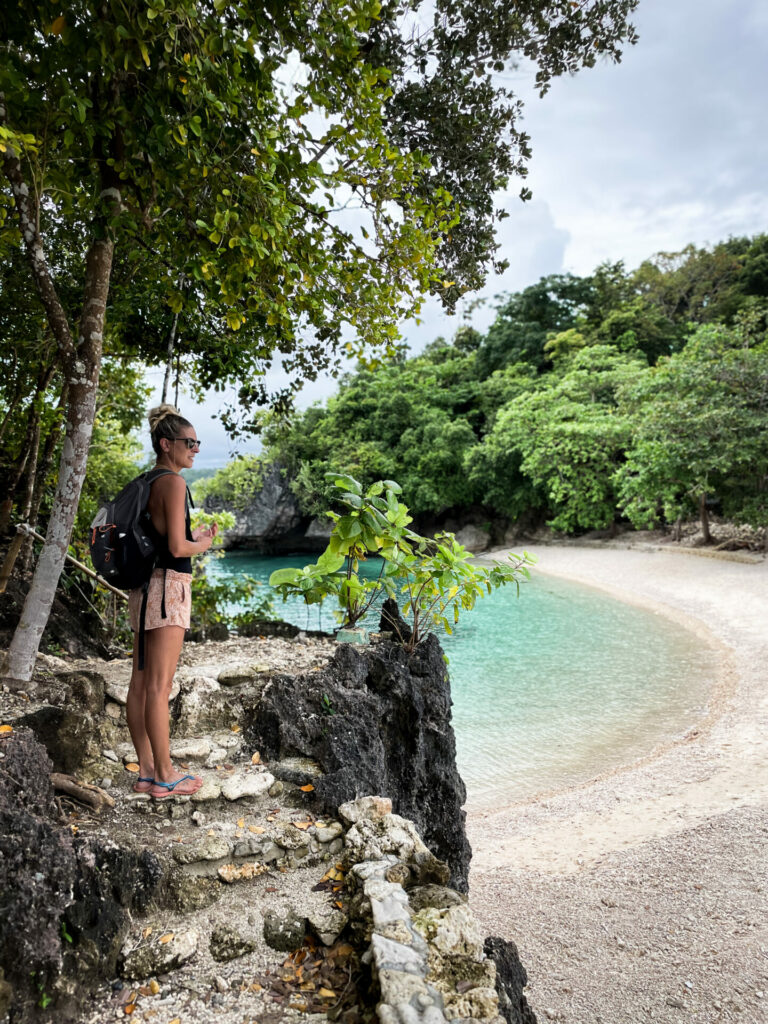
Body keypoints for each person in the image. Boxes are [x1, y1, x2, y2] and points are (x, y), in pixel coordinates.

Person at [126, 404, 218, 799]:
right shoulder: (175, 483)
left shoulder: (149, 480)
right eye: (189, 442)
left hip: (145, 589)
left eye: (197, 443)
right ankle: (165, 775)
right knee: (159, 686)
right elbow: (179, 546)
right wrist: (203, 543)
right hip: (167, 590)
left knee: (141, 682)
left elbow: (163, 537)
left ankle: (148, 769)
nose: (195, 449)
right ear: (167, 444)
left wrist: (187, 537)